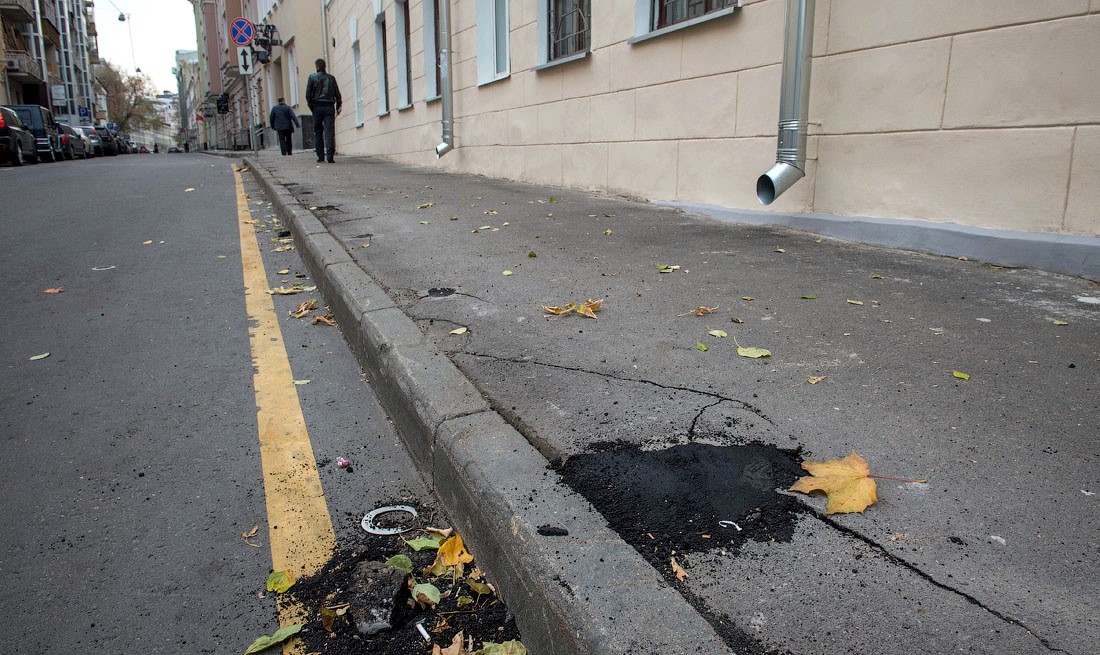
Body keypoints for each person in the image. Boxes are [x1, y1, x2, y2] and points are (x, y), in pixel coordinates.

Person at [305, 58, 342, 163]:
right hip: (329, 106)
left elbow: (308, 95)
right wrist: (338, 105)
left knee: (318, 131)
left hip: (317, 106)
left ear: (317, 66)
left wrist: (312, 107)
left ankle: (320, 156)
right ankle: (330, 156)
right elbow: (337, 93)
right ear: (325, 66)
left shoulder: (312, 78)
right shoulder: (331, 78)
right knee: (329, 131)